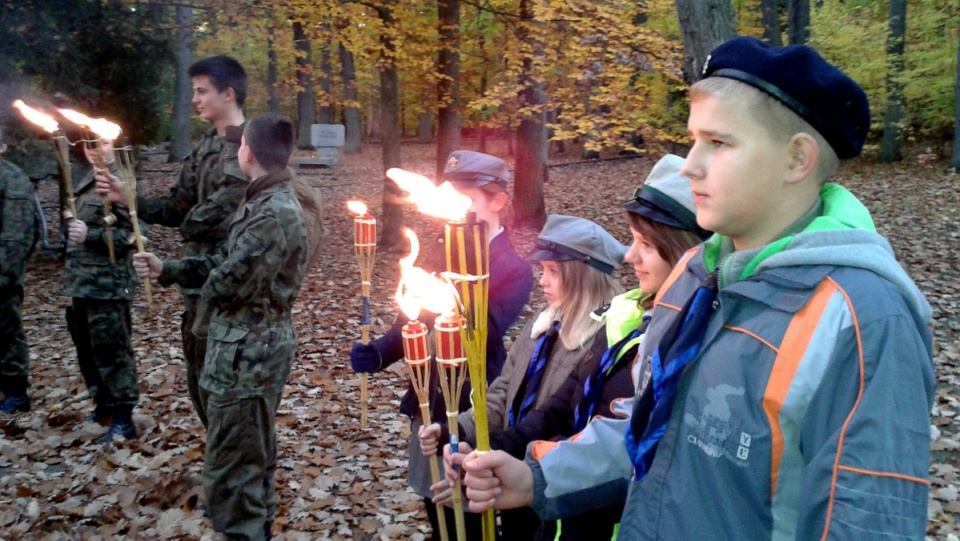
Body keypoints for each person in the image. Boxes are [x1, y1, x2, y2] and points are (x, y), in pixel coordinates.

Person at [457, 36, 935, 541]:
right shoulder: (692, 276)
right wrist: (537, 475)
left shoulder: (862, 319)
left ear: (797, 159)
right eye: (693, 140)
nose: (690, 165)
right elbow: (652, 432)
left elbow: (867, 519)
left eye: (718, 143)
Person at [431, 155, 709, 540]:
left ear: (686, 252)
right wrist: (483, 447)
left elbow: (627, 442)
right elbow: (554, 409)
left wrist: (533, 472)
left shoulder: (675, 338)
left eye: (646, 244)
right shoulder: (616, 325)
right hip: (552, 495)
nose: (630, 256)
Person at [134, 113, 307, 540]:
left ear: (248, 150)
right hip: (244, 351)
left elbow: (229, 282)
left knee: (231, 471)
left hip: (248, 357)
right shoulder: (261, 202)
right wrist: (169, 268)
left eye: (241, 144)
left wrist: (203, 284)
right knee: (251, 458)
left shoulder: (273, 212)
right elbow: (223, 263)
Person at [349, 150, 534, 541]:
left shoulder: (513, 268)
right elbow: (410, 322)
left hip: (471, 401)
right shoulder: (436, 251)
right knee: (435, 501)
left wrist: (461, 271)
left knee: (467, 509)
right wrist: (380, 351)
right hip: (428, 396)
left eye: (465, 199)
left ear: (498, 201)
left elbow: (482, 332)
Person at [421, 213, 626, 539]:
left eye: (554, 272)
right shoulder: (540, 326)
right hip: (509, 478)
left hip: (555, 492)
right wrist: (459, 428)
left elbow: (563, 425)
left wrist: (498, 457)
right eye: (542, 270)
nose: (542, 280)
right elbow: (502, 394)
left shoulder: (604, 340)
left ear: (584, 276)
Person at [98, 54, 248, 428]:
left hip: (230, 282)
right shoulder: (204, 146)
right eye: (194, 91)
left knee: (226, 387)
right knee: (198, 377)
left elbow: (215, 213)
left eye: (202, 91)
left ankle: (235, 470)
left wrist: (186, 225)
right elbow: (177, 204)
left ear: (227, 94)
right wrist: (127, 199)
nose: (194, 99)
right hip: (193, 284)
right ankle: (219, 460)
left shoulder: (249, 146)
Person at [65, 141, 144, 441]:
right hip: (82, 282)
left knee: (112, 352)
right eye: (88, 143)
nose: (93, 148)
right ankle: (104, 405)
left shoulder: (121, 182)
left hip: (109, 284)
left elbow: (135, 235)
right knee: (87, 349)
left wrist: (91, 235)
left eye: (101, 142)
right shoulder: (87, 179)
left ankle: (123, 418)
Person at [0, 125, 37, 414]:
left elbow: (17, 235)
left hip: (2, 275)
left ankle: (15, 392)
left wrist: (5, 274)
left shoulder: (12, 178)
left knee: (6, 332)